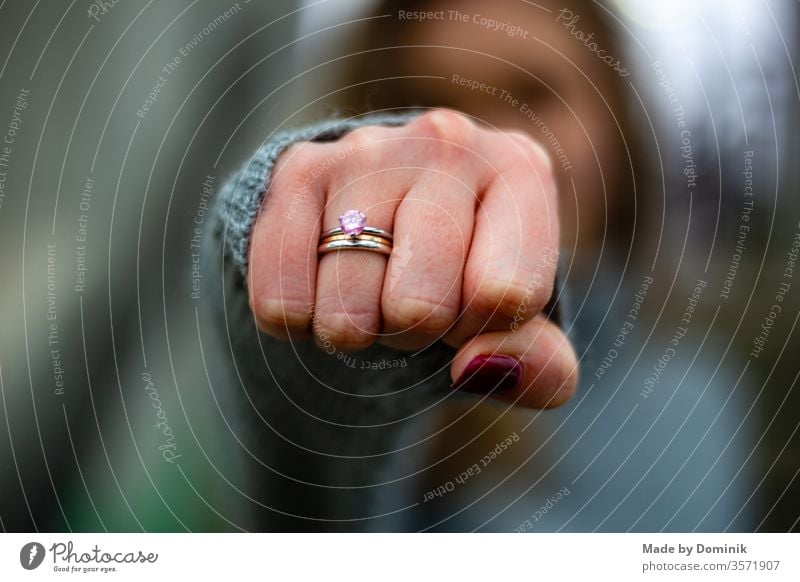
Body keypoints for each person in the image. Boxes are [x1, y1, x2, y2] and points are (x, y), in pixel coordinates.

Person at [205, 0, 781, 531]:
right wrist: (315, 364)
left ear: (617, 127)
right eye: (431, 101)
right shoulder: (361, 391)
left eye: (534, 93)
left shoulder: (698, 399)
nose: (487, 142)